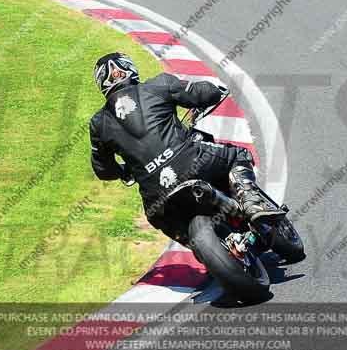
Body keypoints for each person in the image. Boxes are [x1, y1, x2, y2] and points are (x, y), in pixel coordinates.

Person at [89, 53, 280, 246]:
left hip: (156, 197)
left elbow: (103, 170)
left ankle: (200, 246)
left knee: (164, 221)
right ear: (129, 69)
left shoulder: (97, 124)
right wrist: (213, 90)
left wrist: (123, 171)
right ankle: (252, 202)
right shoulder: (158, 84)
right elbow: (203, 93)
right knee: (237, 155)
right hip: (191, 162)